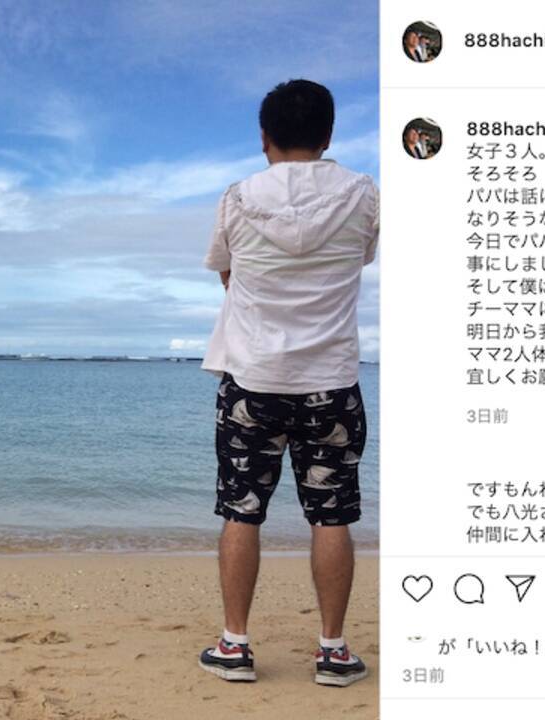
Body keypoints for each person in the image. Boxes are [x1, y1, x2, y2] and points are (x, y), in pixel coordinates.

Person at [197, 79, 378, 687]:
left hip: (252, 378)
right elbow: (361, 257)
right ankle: (332, 652)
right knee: (332, 516)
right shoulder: (363, 195)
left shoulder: (237, 198)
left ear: (264, 138)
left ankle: (234, 645)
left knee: (241, 511)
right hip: (331, 380)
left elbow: (227, 274)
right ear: (328, 136)